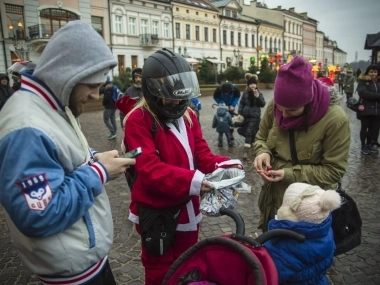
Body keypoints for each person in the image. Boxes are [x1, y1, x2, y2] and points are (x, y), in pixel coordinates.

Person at [0, 20, 136, 285]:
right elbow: (39, 213)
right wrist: (99, 172)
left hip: (82, 261)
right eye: (92, 86)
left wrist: (95, 158)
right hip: (72, 274)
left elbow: (60, 156)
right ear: (67, 75)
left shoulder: (53, 105)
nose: (97, 95)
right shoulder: (26, 126)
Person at [123, 48, 242, 285]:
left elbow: (201, 154)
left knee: (187, 266)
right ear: (153, 92)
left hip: (187, 207)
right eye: (170, 96)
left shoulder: (187, 115)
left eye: (179, 96)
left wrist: (229, 165)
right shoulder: (138, 120)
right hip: (158, 213)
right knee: (160, 271)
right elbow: (149, 170)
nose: (176, 102)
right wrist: (195, 182)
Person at [253, 56, 350, 232]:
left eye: (292, 110)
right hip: (273, 201)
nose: (284, 115)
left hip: (308, 210)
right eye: (280, 108)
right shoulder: (275, 105)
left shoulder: (335, 119)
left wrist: (288, 174)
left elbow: (333, 171)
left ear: (308, 101)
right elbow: (261, 136)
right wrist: (263, 151)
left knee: (303, 256)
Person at [265, 182, 341, 285]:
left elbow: (267, 273)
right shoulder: (325, 231)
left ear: (289, 215)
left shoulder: (282, 249)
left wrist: (259, 246)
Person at [234, 73, 265, 159]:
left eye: (254, 84)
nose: (253, 85)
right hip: (246, 116)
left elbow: (262, 104)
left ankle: (245, 152)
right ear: (248, 85)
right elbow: (241, 103)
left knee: (248, 132)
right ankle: (257, 150)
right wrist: (240, 113)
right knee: (254, 133)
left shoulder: (259, 93)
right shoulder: (245, 93)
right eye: (251, 84)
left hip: (255, 117)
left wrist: (258, 97)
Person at [356, 64, 380, 155]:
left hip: (377, 110)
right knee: (364, 128)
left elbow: (370, 94)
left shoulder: (378, 82)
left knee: (372, 129)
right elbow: (364, 93)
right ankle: (363, 145)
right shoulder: (363, 81)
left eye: (375, 72)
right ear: (367, 72)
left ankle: (369, 144)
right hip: (365, 109)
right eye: (371, 72)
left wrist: (374, 96)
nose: (373, 74)